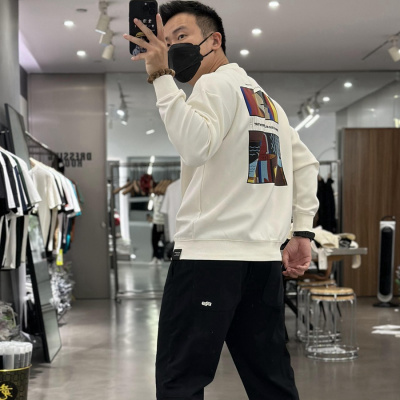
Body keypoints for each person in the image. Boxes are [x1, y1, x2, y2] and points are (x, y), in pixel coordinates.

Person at [123, 2, 319, 399]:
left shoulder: (213, 86)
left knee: (181, 381)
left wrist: (160, 76)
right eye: (166, 42)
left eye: (181, 37)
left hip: (208, 259)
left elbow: (195, 146)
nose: (172, 48)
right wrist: (302, 232)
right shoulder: (268, 103)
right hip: (261, 263)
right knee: (271, 380)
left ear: (214, 41)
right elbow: (306, 164)